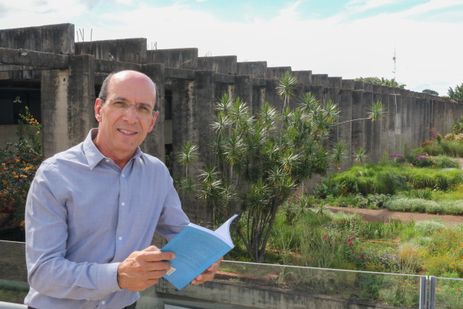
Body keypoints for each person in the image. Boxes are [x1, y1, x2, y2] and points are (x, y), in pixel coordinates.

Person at [24, 70, 220, 309]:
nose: (131, 117)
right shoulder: (54, 174)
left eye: (142, 108)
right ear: (99, 109)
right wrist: (118, 276)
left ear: (152, 121)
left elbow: (180, 232)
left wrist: (203, 257)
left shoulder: (156, 173)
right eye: (120, 103)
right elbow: (42, 272)